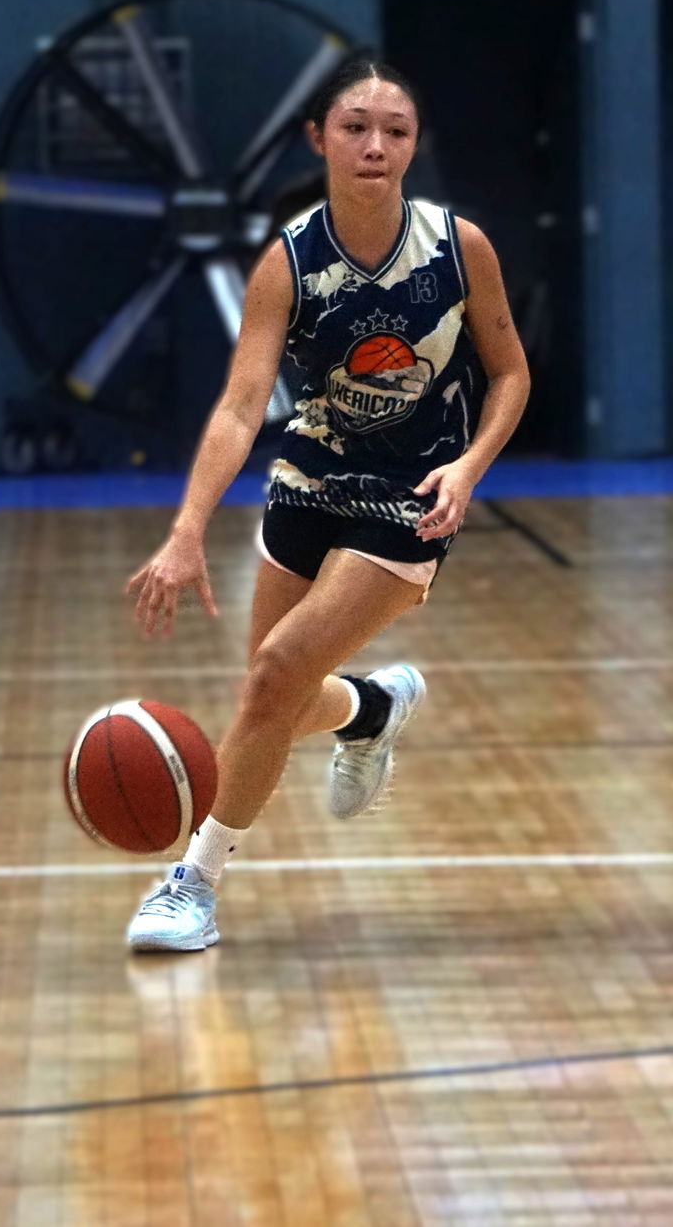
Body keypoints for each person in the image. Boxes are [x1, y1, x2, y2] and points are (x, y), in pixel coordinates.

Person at [123, 56, 530, 951]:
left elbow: (510, 374)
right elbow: (240, 405)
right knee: (273, 699)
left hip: (412, 493)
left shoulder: (460, 249)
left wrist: (468, 468)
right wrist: (187, 529)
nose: (375, 145)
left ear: (413, 145)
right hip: (309, 476)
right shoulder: (290, 262)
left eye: (395, 129)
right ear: (320, 139)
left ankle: (193, 884)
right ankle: (372, 710)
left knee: (275, 673)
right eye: (355, 127)